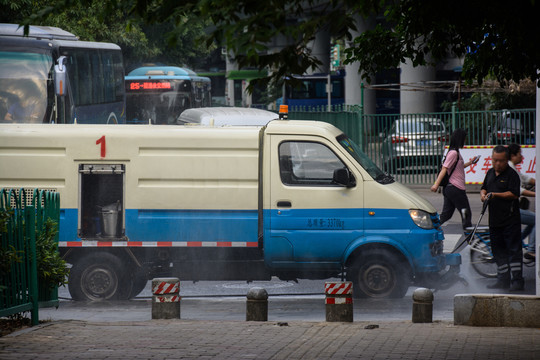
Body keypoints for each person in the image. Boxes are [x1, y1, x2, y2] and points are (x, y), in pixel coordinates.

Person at [481, 145, 524, 291]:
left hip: (510, 221)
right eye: (495, 160)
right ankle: (502, 280)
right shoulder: (490, 173)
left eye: (501, 161)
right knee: (498, 252)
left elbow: (514, 194)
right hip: (495, 221)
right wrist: (483, 194)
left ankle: (517, 281)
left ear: (507, 160)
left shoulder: (512, 175)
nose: (497, 164)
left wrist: (495, 195)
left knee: (513, 251)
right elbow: (484, 187)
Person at [431, 128, 479, 228]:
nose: (465, 141)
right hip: (455, 188)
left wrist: (471, 163)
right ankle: (469, 240)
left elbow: (458, 167)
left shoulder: (455, 152)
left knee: (446, 215)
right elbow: (444, 169)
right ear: (460, 139)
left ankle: (431, 227)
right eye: (464, 139)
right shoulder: (453, 153)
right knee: (466, 214)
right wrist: (436, 185)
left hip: (451, 188)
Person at [508, 143, 536, 260]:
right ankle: (531, 250)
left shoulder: (513, 167)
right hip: (512, 208)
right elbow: (518, 190)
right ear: (513, 155)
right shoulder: (510, 168)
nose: (522, 157)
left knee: (532, 221)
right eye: (520, 154)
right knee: (538, 219)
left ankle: (519, 241)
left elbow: (525, 178)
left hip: (515, 207)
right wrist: (536, 194)